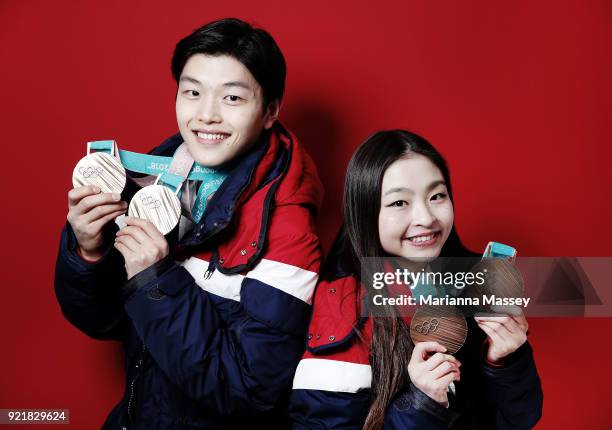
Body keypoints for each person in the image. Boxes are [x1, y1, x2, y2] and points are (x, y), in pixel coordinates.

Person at [55, 18, 323, 430]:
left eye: (232, 98)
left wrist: (155, 279)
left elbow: (250, 391)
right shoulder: (155, 174)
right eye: (192, 92)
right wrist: (88, 252)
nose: (207, 115)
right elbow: (104, 320)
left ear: (270, 110)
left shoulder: (289, 230)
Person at [289, 130, 543, 429]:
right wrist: (421, 402)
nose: (426, 217)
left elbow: (518, 420)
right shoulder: (343, 305)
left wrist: (504, 361)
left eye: (437, 196)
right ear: (366, 212)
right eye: (399, 203)